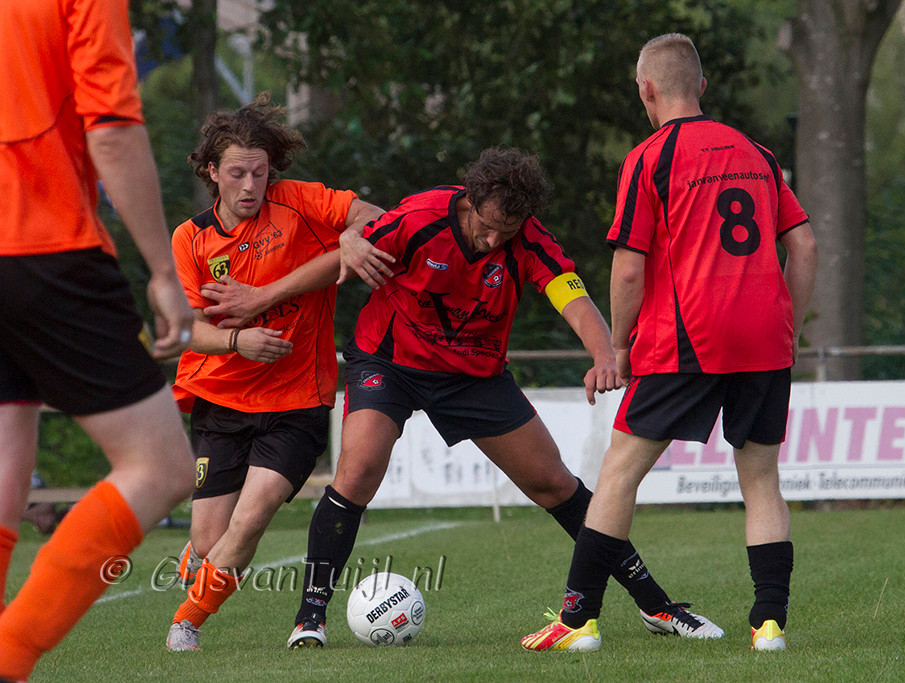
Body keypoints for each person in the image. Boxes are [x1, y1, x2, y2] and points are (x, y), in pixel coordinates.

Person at [204, 146, 724, 650]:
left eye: (507, 231)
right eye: (487, 226)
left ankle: (656, 605)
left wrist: (604, 353)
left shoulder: (529, 239)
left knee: (554, 484)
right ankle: (310, 618)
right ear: (469, 200)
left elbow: (571, 296)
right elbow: (347, 250)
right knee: (358, 472)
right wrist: (315, 263)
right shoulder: (420, 217)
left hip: (474, 376)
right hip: (389, 362)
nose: (494, 240)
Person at [522, 33, 818, 653]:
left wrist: (618, 346)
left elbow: (629, 269)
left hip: (688, 339)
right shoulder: (758, 153)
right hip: (764, 338)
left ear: (647, 90)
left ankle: (578, 622)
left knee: (619, 471)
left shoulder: (650, 158)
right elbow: (805, 245)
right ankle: (769, 626)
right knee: (761, 478)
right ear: (702, 86)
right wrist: (787, 326)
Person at [0, 1, 196, 678]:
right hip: (41, 242)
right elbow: (110, 128)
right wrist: (163, 271)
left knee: (6, 446)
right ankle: (9, 656)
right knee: (161, 467)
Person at [163, 93, 384, 652]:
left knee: (252, 517)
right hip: (221, 399)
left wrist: (349, 236)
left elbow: (377, 219)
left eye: (259, 173)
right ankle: (202, 560)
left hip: (297, 400)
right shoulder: (191, 238)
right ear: (212, 173)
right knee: (209, 540)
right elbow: (189, 330)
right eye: (237, 173)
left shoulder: (299, 203)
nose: (250, 186)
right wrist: (238, 340)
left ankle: (186, 622)